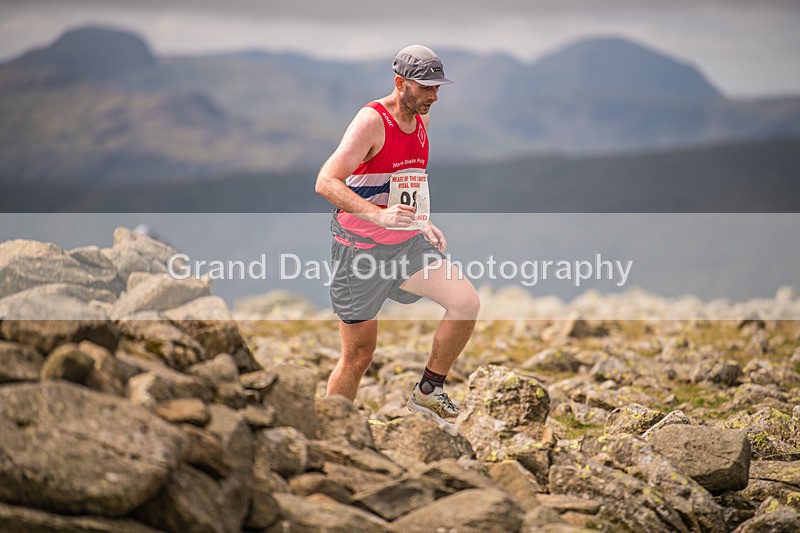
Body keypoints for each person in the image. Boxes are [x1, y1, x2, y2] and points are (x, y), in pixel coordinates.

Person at [314, 44, 480, 431]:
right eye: (426, 88)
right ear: (400, 83)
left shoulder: (419, 121)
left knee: (465, 302)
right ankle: (330, 434)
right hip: (358, 252)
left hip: (404, 245)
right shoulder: (371, 120)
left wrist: (422, 221)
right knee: (358, 356)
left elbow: (405, 185)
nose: (434, 96)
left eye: (438, 88)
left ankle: (428, 391)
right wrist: (377, 215)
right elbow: (325, 181)